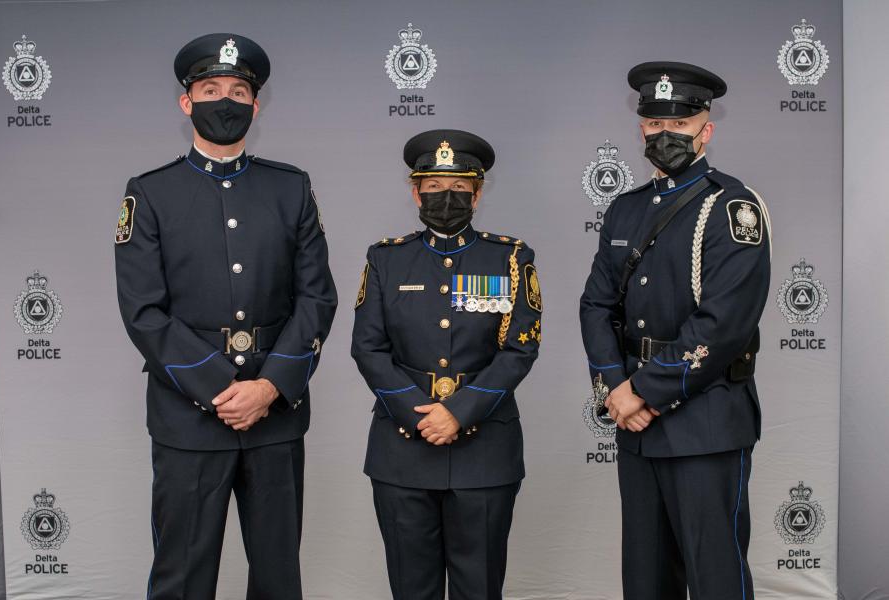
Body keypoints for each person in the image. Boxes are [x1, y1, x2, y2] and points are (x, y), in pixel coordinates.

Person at [114, 33, 337, 600]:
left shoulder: (292, 188)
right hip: (188, 418)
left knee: (278, 577)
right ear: (186, 103)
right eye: (210, 89)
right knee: (182, 578)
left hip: (276, 416)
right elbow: (144, 312)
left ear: (255, 105)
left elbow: (317, 298)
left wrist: (269, 386)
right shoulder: (151, 192)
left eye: (238, 91)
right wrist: (220, 387)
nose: (225, 100)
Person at [579, 62, 772, 600]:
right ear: (641, 127)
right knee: (646, 581)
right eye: (654, 125)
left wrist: (641, 392)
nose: (665, 136)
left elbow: (724, 324)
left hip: (704, 421)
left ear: (706, 130)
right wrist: (615, 389)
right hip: (635, 425)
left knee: (715, 581)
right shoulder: (625, 210)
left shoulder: (732, 206)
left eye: (680, 126)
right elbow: (595, 305)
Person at [351, 129, 541, 600]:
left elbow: (520, 348)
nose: (445, 197)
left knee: (479, 588)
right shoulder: (386, 260)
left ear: (477, 194)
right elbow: (367, 348)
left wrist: (460, 410)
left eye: (458, 187)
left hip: (485, 450)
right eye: (433, 187)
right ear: (415, 191)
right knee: (411, 589)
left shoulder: (510, 259)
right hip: (402, 451)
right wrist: (418, 413)